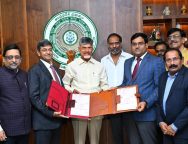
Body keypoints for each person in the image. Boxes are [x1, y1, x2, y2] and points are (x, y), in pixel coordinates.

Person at [120, 32, 165, 144]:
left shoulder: (157, 61)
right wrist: (109, 91)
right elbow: (125, 83)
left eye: (140, 43)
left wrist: (146, 102)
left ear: (146, 45)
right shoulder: (127, 62)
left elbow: (160, 88)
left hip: (147, 114)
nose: (137, 46)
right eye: (134, 44)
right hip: (129, 114)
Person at [63, 37, 109, 144]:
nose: (87, 50)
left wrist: (105, 92)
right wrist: (72, 90)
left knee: (95, 141)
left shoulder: (100, 66)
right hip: (78, 106)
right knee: (79, 141)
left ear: (92, 49)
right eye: (84, 48)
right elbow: (65, 84)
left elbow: (105, 85)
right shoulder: (71, 66)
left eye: (89, 48)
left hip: (96, 106)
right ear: (79, 49)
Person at [28, 39, 66, 144]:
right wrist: (50, 113)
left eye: (50, 49)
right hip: (43, 123)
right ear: (38, 53)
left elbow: (60, 92)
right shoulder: (34, 70)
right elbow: (34, 97)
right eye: (44, 50)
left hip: (57, 121)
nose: (48, 52)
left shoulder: (56, 69)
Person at [101, 33, 132, 144]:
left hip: (127, 100)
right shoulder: (103, 60)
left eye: (116, 43)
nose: (114, 46)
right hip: (111, 101)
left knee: (131, 134)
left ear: (120, 44)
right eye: (111, 43)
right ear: (108, 45)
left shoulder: (130, 58)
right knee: (116, 134)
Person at [0, 44, 31, 144]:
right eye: (10, 57)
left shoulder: (24, 75)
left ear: (20, 59)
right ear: (4, 59)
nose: (14, 60)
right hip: (6, 132)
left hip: (25, 130)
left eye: (17, 57)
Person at [157, 48, 188, 144]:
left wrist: (175, 126)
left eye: (175, 59)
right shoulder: (163, 77)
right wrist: (160, 121)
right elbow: (158, 102)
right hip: (166, 131)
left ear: (182, 60)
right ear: (165, 62)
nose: (172, 63)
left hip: (184, 132)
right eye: (168, 60)